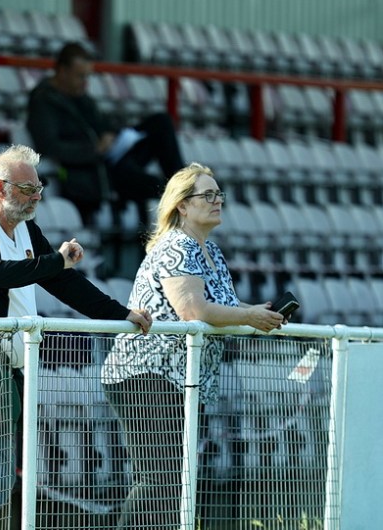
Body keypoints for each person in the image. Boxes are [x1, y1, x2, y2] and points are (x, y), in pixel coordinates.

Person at [0, 144, 153, 530]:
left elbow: (64, 283)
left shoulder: (26, 231)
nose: (37, 196)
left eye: (39, 188)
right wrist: (56, 260)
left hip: (2, 375)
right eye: (28, 189)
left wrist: (122, 314)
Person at [100, 163, 284, 529]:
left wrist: (255, 311)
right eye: (208, 195)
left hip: (181, 382)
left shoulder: (210, 250)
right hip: (147, 377)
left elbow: (219, 306)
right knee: (161, 481)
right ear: (182, 205)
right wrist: (247, 318)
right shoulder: (177, 245)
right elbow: (193, 310)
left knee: (172, 483)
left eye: (219, 194)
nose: (218, 201)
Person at [27, 41, 185, 224]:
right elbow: (49, 147)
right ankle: (182, 193)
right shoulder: (44, 102)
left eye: (87, 77)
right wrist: (94, 149)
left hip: (112, 157)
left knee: (161, 122)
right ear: (62, 71)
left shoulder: (80, 97)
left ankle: (182, 182)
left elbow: (103, 124)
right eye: (80, 76)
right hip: (95, 170)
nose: (85, 83)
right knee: (155, 185)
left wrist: (114, 135)